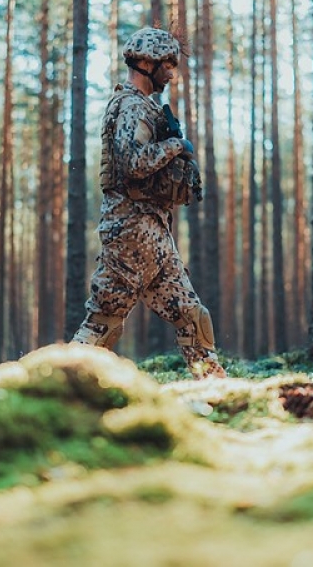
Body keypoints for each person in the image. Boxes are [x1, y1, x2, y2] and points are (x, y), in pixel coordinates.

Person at [70, 27, 226, 379]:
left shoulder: (143, 107)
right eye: (166, 64)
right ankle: (47, 390)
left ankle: (214, 388)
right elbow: (134, 164)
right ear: (145, 62)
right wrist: (177, 147)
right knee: (103, 322)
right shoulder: (130, 107)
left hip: (150, 231)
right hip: (130, 231)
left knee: (190, 315)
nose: (171, 72)